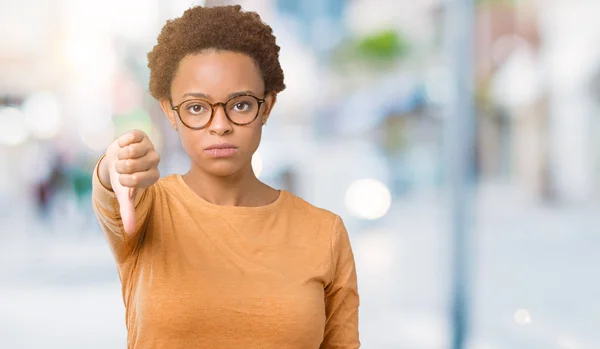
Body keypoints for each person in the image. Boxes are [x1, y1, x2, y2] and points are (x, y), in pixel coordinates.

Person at [92, 5, 359, 349]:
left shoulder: (325, 233)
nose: (220, 126)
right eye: (197, 108)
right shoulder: (146, 210)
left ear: (267, 106)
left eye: (241, 104)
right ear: (168, 112)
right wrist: (115, 161)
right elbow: (110, 188)